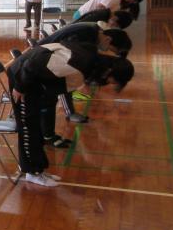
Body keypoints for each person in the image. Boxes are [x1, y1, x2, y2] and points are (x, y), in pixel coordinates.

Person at [8, 42, 134, 186]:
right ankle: (32, 173)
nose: (108, 83)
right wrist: (20, 87)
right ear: (110, 72)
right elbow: (33, 63)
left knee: (36, 128)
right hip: (23, 79)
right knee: (28, 128)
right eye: (112, 81)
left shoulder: (90, 62)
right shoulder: (80, 63)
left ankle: (38, 170)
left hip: (32, 81)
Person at [73, 0, 145, 21]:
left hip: (87, 17)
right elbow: (100, 9)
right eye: (132, 0)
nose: (130, 2)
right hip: (82, 16)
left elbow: (107, 11)